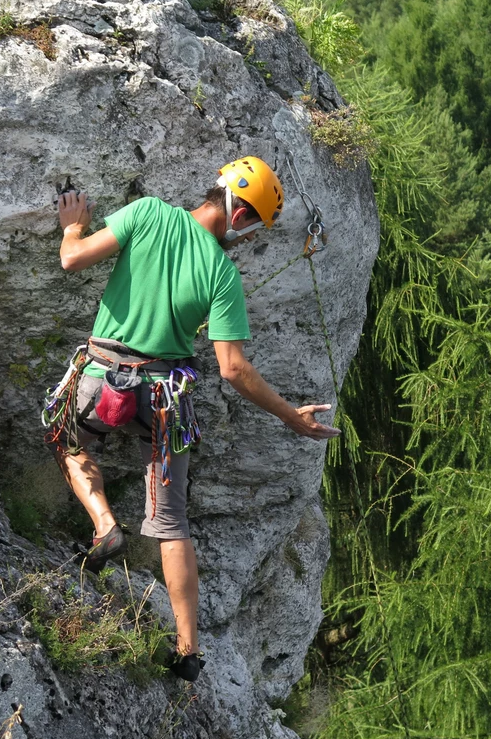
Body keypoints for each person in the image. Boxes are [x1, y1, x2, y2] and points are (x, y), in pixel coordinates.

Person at [47, 157, 340, 681]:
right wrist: (291, 419)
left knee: (67, 436)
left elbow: (73, 259)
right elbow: (233, 369)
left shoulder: (147, 214)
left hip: (103, 375)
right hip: (163, 398)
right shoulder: (223, 275)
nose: (248, 235)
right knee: (172, 524)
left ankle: (105, 525)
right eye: (252, 222)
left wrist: (73, 224)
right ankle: (188, 652)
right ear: (241, 215)